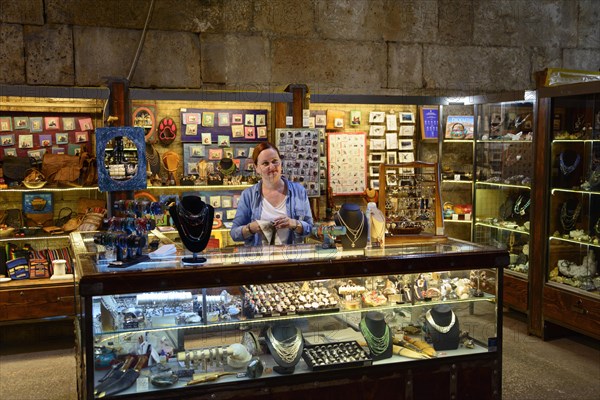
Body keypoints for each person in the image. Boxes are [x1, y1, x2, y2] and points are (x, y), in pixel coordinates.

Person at [230, 142, 313, 245]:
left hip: (291, 259)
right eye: (265, 163)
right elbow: (234, 233)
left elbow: (310, 229)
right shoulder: (248, 195)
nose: (271, 167)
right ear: (257, 168)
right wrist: (251, 228)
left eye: (275, 161)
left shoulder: (299, 191)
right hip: (260, 259)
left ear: (280, 163)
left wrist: (294, 224)